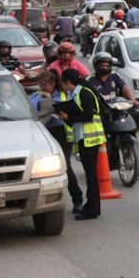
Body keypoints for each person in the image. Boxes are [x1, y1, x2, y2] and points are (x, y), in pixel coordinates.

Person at [87, 52, 139, 178]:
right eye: (102, 65)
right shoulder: (90, 80)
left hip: (117, 111)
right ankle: (101, 164)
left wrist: (133, 100)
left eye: (107, 65)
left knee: (132, 133)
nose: (104, 68)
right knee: (105, 139)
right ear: (96, 66)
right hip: (100, 115)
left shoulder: (115, 77)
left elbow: (125, 89)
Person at [30, 69, 83, 213]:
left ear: (53, 84)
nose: (42, 88)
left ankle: (77, 199)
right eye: (40, 85)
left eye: (45, 85)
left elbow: (69, 109)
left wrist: (51, 101)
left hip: (63, 134)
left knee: (65, 165)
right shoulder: (36, 96)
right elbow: (32, 112)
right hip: (44, 134)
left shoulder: (65, 95)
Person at [57, 68, 106, 220]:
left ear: (68, 81)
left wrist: (69, 117)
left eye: (62, 83)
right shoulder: (78, 93)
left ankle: (91, 208)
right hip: (85, 138)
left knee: (91, 175)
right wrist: (67, 116)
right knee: (90, 174)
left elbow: (88, 115)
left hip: (90, 138)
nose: (62, 86)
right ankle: (92, 207)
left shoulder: (84, 93)